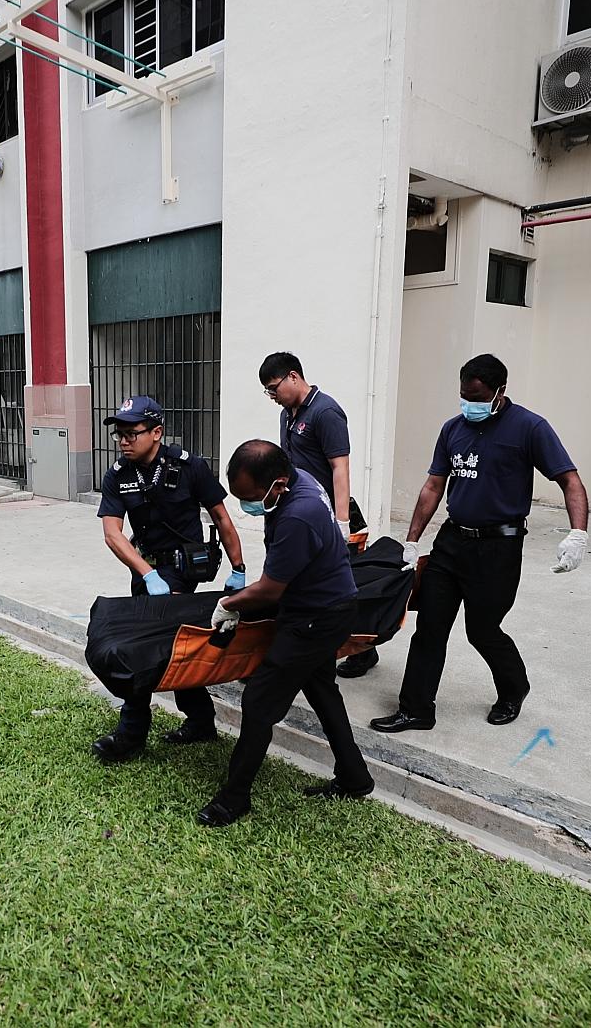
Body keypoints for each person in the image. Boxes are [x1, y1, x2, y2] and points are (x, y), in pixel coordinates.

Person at [370, 353, 589, 734]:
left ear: (500, 391)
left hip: (498, 549)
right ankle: (416, 709)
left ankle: (514, 688)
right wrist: (412, 540)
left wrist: (578, 533)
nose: (469, 404)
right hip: (451, 542)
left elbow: (569, 480)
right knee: (430, 627)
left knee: (483, 631)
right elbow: (433, 486)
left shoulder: (529, 428)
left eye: (477, 397)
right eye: (464, 396)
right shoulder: (452, 429)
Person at [196, 440, 373, 828]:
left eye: (251, 498)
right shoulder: (298, 479)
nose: (247, 506)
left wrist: (229, 604)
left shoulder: (298, 515)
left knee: (260, 701)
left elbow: (271, 590)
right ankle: (355, 777)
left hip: (316, 618)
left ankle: (233, 798)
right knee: (323, 691)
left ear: (278, 484)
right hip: (327, 605)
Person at [92, 396, 247, 763]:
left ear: (157, 432)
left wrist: (238, 567)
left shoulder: (189, 466)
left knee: (146, 646)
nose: (123, 441)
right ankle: (201, 719)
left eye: (131, 433)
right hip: (145, 569)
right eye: (119, 434)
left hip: (181, 569)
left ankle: (131, 733)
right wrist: (147, 574)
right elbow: (112, 534)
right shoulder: (118, 474)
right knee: (176, 646)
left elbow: (221, 517)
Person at [259, 352, 376, 679]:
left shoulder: (326, 412)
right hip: (299, 510)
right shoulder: (287, 414)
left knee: (337, 587)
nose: (272, 396)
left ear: (293, 376)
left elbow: (340, 468)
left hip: (327, 514)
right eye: (268, 391)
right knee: (299, 580)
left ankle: (364, 650)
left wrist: (342, 523)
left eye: (274, 388)